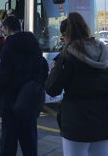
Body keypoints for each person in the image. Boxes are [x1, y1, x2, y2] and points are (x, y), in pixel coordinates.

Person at [45, 12, 108, 156]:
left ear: (67, 36)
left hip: (76, 122)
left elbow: (52, 89)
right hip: (103, 121)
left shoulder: (67, 57)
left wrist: (54, 69)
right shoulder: (104, 53)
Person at [0, 16, 48, 156]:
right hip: (29, 100)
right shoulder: (34, 44)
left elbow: (3, 75)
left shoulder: (9, 46)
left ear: (8, 28)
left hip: (11, 101)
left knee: (8, 142)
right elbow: (43, 68)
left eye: (3, 28)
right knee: (29, 141)